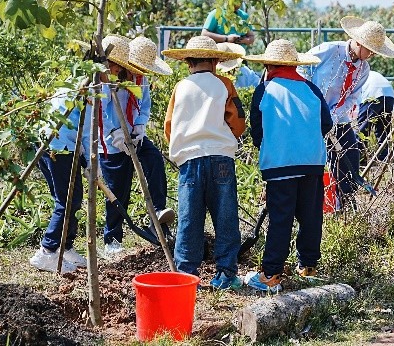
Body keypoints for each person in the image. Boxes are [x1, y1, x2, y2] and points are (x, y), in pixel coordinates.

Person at [242, 40, 333, 293]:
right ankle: (308, 267)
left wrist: (271, 145)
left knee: (281, 219)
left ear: (268, 66)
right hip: (312, 162)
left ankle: (271, 274)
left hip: (281, 163)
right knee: (311, 216)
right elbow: (326, 124)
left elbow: (257, 130)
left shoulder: (265, 89)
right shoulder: (311, 89)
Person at [162, 35, 246, 289]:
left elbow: (169, 126)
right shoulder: (224, 84)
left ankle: (186, 275)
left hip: (190, 161)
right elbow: (238, 120)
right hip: (221, 157)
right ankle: (226, 273)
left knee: (189, 219)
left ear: (188, 62)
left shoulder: (181, 87)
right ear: (215, 61)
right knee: (225, 217)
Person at [299, 17, 394, 203]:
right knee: (310, 159)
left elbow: (353, 97)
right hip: (310, 114)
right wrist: (312, 103)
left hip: (337, 118)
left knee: (350, 154)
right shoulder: (328, 51)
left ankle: (345, 201)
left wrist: (333, 118)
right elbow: (301, 70)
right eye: (370, 50)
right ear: (359, 42)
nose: (372, 55)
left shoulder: (364, 69)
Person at [99, 35, 174, 256]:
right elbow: (100, 111)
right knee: (118, 189)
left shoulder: (141, 79)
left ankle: (157, 213)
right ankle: (112, 238)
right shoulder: (108, 79)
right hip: (112, 141)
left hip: (134, 135)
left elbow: (144, 105)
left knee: (154, 160)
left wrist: (139, 126)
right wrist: (114, 132)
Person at [30, 87, 94, 274]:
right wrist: (91, 162)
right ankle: (47, 251)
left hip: (46, 144)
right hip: (60, 148)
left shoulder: (69, 84)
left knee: (69, 199)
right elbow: (87, 131)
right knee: (68, 201)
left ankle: (65, 247)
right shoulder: (91, 92)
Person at [356, 71, 394, 161]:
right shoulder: (369, 72)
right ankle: (384, 157)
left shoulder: (356, 74)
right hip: (389, 95)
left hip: (372, 95)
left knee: (363, 128)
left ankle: (358, 157)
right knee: (383, 129)